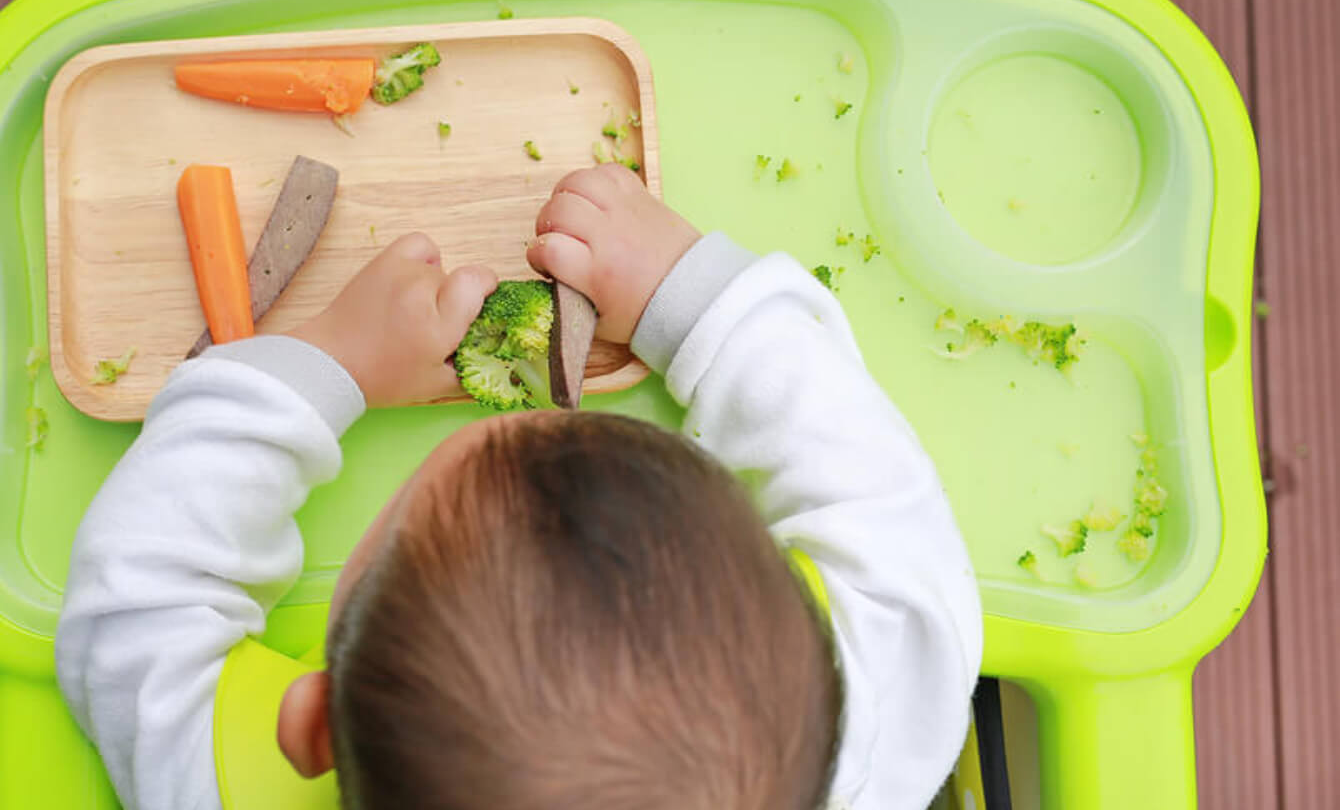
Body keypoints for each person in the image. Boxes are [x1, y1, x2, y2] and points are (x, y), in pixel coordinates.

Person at [56, 163, 982, 810]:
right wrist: (687, 296)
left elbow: (138, 601)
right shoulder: (867, 738)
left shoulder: (221, 785)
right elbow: (880, 500)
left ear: (310, 731)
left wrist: (324, 365)